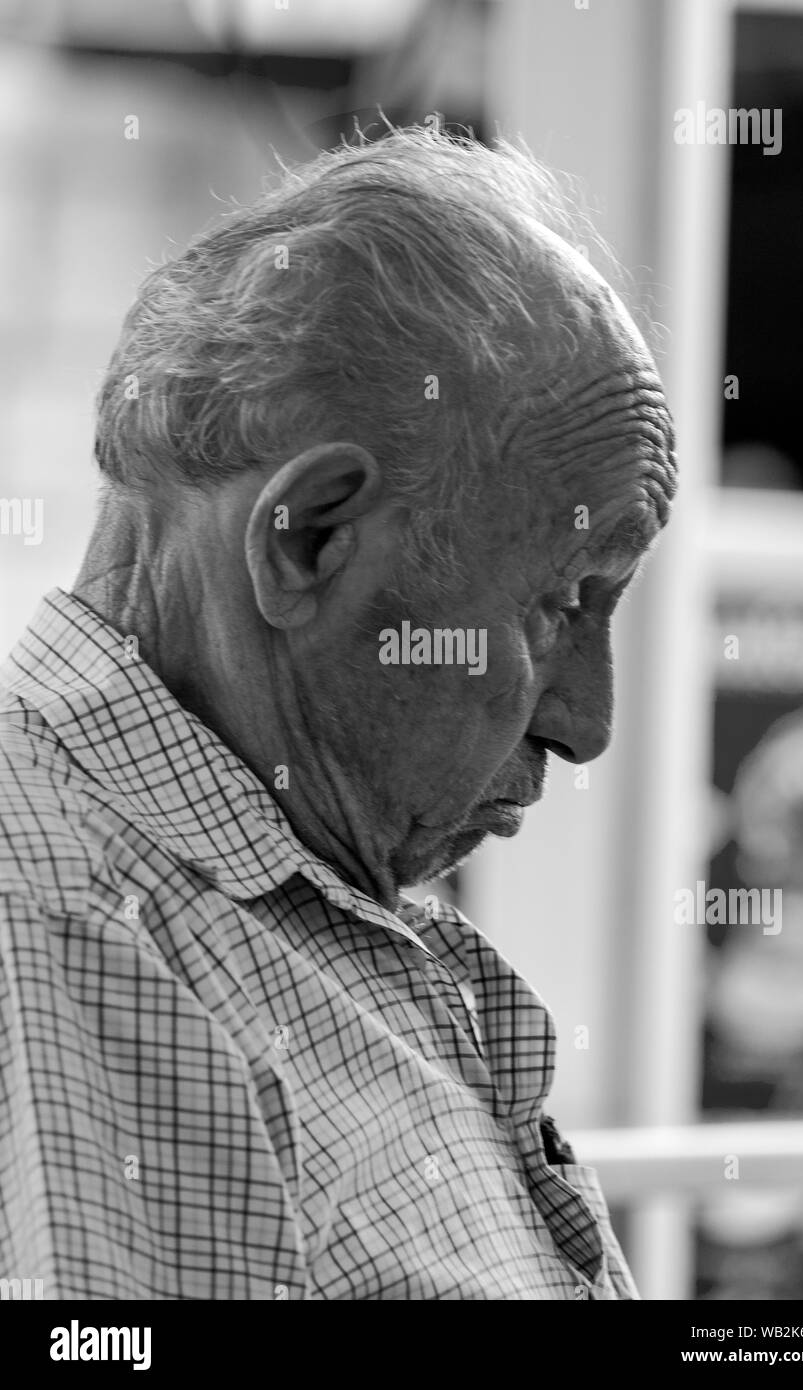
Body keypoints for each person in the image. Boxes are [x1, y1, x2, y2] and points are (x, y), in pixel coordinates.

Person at [0, 127, 676, 1299]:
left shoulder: (257, 895)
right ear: (306, 535)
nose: (586, 721)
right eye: (563, 602)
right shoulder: (64, 925)